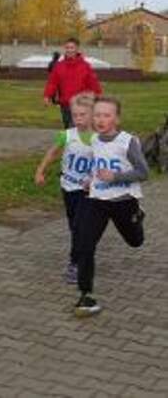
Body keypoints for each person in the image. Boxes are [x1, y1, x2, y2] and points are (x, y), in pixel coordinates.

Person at [74, 96, 148, 317]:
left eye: (106, 115)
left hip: (124, 201)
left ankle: (138, 216)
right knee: (84, 244)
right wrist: (90, 179)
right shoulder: (94, 140)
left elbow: (143, 172)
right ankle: (86, 296)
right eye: (97, 114)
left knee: (135, 242)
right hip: (97, 200)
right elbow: (98, 165)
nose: (100, 119)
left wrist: (114, 176)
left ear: (116, 119)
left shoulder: (128, 141)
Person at [35, 93, 95, 284]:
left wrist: (93, 180)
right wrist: (40, 171)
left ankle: (75, 263)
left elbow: (106, 164)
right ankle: (82, 251)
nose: (78, 119)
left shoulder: (99, 139)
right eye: (75, 115)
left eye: (82, 115)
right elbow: (52, 153)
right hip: (67, 188)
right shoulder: (67, 135)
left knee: (80, 227)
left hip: (87, 191)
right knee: (74, 226)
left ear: (93, 114)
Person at [43, 37, 102, 128]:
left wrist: (97, 95)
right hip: (65, 104)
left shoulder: (85, 66)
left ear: (77, 49)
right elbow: (52, 83)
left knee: (75, 127)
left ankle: (78, 140)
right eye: (67, 48)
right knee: (68, 128)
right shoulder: (59, 66)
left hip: (81, 104)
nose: (69, 50)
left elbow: (93, 83)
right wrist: (47, 96)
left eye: (72, 47)